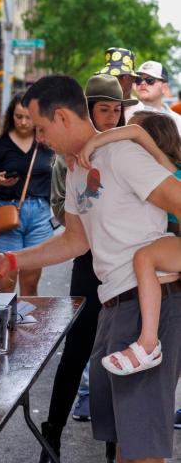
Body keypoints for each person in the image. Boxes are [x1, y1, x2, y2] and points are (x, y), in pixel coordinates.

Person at [0, 75, 181, 463]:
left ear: (64, 117)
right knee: (123, 444)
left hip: (148, 303)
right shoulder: (75, 168)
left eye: (42, 128)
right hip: (115, 305)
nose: (39, 138)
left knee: (142, 451)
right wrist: (12, 260)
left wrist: (169, 260)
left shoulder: (120, 155)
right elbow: (74, 240)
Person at [46, 74, 137, 450]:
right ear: (89, 111)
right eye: (106, 110)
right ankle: (50, 437)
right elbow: (61, 213)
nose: (114, 117)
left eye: (118, 110)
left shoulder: (129, 149)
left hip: (124, 267)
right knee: (78, 351)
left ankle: (114, 447)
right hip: (87, 264)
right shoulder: (65, 159)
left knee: (119, 354)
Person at [76, 111, 181, 377]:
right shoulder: (159, 167)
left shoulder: (163, 166)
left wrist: (94, 142)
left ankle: (147, 344)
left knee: (143, 258)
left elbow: (134, 132)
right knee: (145, 257)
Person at [0, 92, 54, 294]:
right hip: (7, 212)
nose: (23, 122)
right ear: (10, 116)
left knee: (30, 281)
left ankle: (28, 325)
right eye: (18, 116)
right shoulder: (0, 144)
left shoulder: (47, 144)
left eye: (28, 117)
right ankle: (3, 325)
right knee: (5, 280)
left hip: (39, 214)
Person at [96, 47, 143, 122]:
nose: (115, 81)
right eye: (110, 76)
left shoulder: (142, 113)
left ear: (133, 78)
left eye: (122, 76)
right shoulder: (93, 111)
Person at [135, 60, 181, 133]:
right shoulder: (121, 114)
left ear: (164, 88)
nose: (143, 83)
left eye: (150, 80)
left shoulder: (177, 121)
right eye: (138, 79)